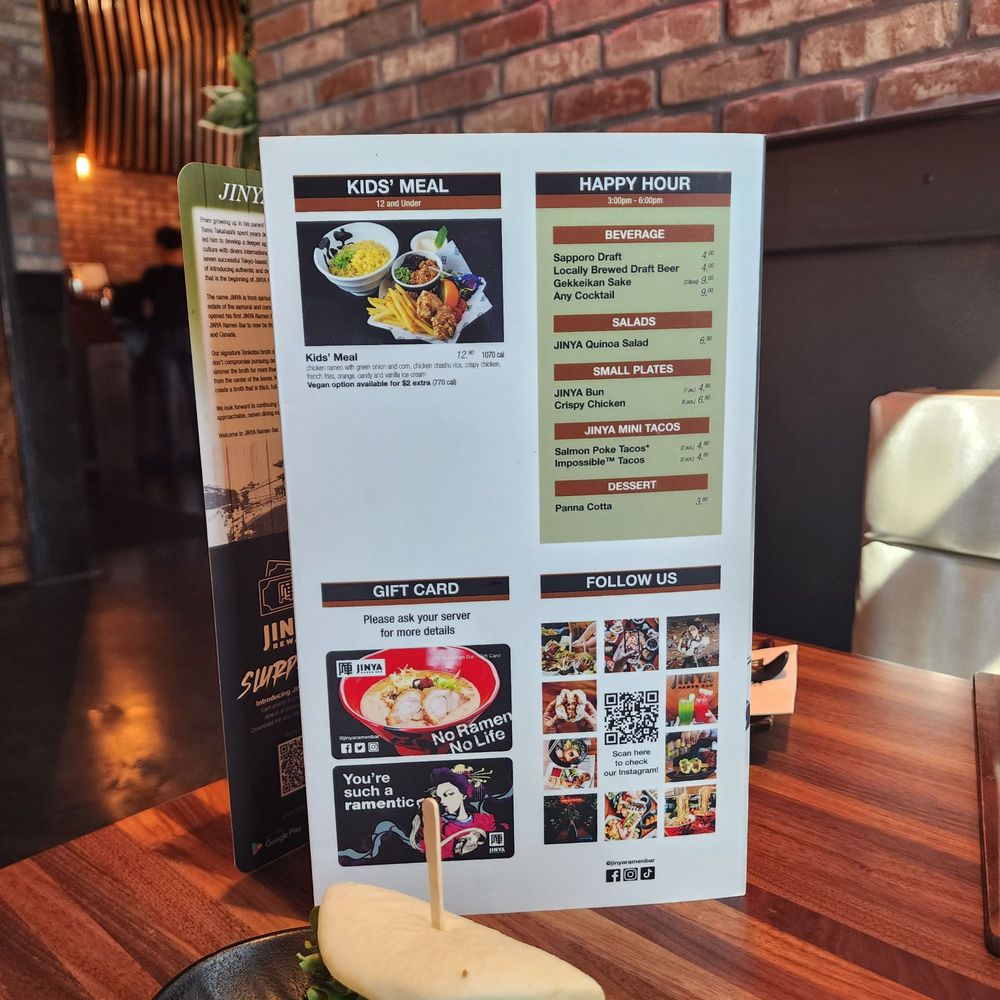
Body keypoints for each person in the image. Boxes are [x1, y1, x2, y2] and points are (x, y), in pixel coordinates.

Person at [138, 226, 196, 470]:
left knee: (168, 397)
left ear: (160, 247)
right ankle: (201, 454)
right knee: (195, 396)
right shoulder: (190, 274)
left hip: (163, 337)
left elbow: (146, 309)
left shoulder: (152, 275)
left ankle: (172, 457)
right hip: (189, 336)